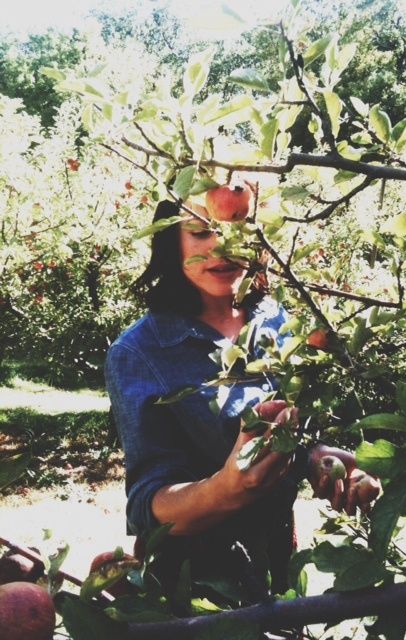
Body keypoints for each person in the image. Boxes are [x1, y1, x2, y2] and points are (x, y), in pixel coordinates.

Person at [105, 195, 376, 607]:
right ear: (170, 239)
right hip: (191, 584)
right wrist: (226, 489)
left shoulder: (281, 321)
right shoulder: (141, 352)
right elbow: (147, 504)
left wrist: (316, 458)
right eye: (200, 230)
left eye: (239, 226)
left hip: (279, 559)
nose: (223, 245)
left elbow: (286, 435)